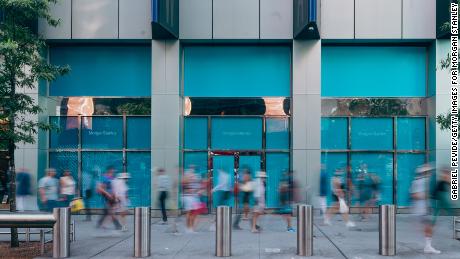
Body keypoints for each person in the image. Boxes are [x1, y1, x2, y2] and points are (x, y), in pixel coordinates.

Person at [410, 163, 440, 254]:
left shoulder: (423, 181)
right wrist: (426, 195)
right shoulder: (419, 182)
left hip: (424, 209)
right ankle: (428, 247)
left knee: (430, 227)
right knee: (430, 227)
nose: (430, 173)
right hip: (421, 209)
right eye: (428, 172)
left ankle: (428, 246)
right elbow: (414, 195)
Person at [96, 166, 122, 230]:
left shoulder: (112, 178)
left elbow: (113, 188)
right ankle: (117, 225)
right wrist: (108, 194)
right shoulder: (104, 178)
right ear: (109, 171)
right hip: (107, 197)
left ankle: (100, 223)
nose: (113, 173)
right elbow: (100, 188)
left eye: (113, 172)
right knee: (110, 211)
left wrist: (116, 196)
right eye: (112, 171)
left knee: (108, 211)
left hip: (112, 197)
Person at [182, 168, 201, 233]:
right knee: (190, 213)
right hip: (189, 198)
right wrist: (194, 191)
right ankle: (188, 228)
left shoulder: (193, 180)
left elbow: (197, 188)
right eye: (190, 174)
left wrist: (197, 191)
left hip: (193, 197)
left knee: (194, 213)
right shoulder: (185, 181)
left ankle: (191, 227)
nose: (192, 176)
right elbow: (187, 189)